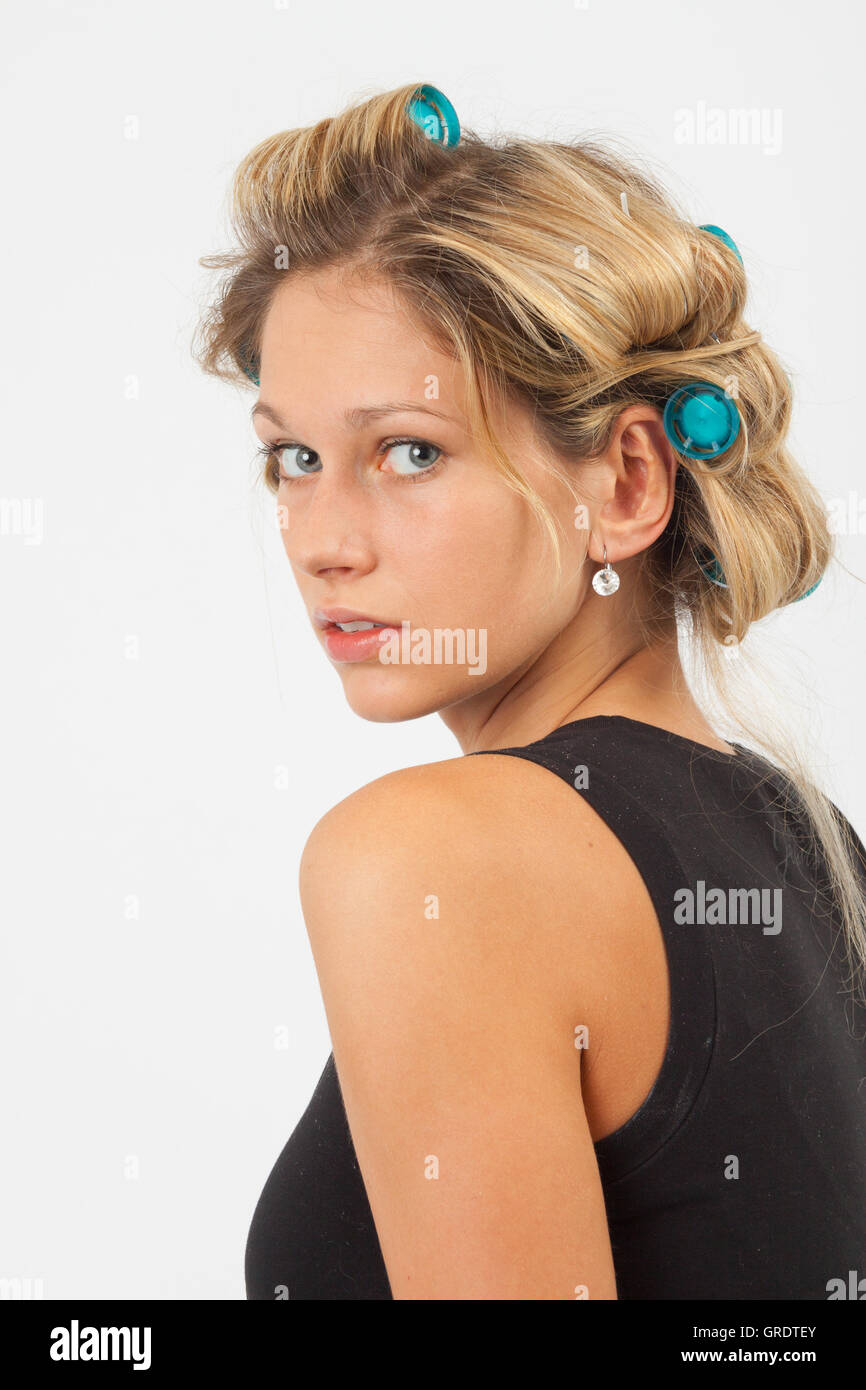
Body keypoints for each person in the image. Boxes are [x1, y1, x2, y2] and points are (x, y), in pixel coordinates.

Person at [193, 84, 866, 1300]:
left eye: (408, 450)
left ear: (619, 484)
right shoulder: (818, 853)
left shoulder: (435, 857)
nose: (319, 539)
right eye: (292, 457)